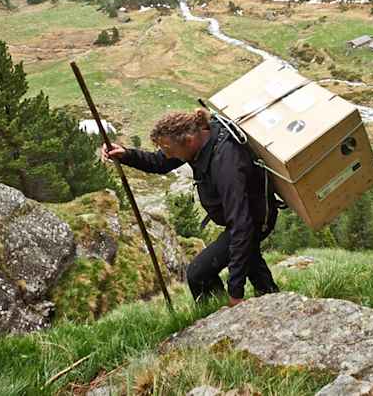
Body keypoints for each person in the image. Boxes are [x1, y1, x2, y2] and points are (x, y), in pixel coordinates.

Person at [103, 109, 279, 306]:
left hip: (254, 219)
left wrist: (235, 293)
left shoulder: (226, 162)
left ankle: (218, 316)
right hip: (243, 217)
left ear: (188, 141)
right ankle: (272, 299)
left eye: (168, 148)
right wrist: (126, 155)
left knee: (199, 274)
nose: (166, 154)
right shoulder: (198, 142)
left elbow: (242, 225)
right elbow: (160, 162)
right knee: (249, 255)